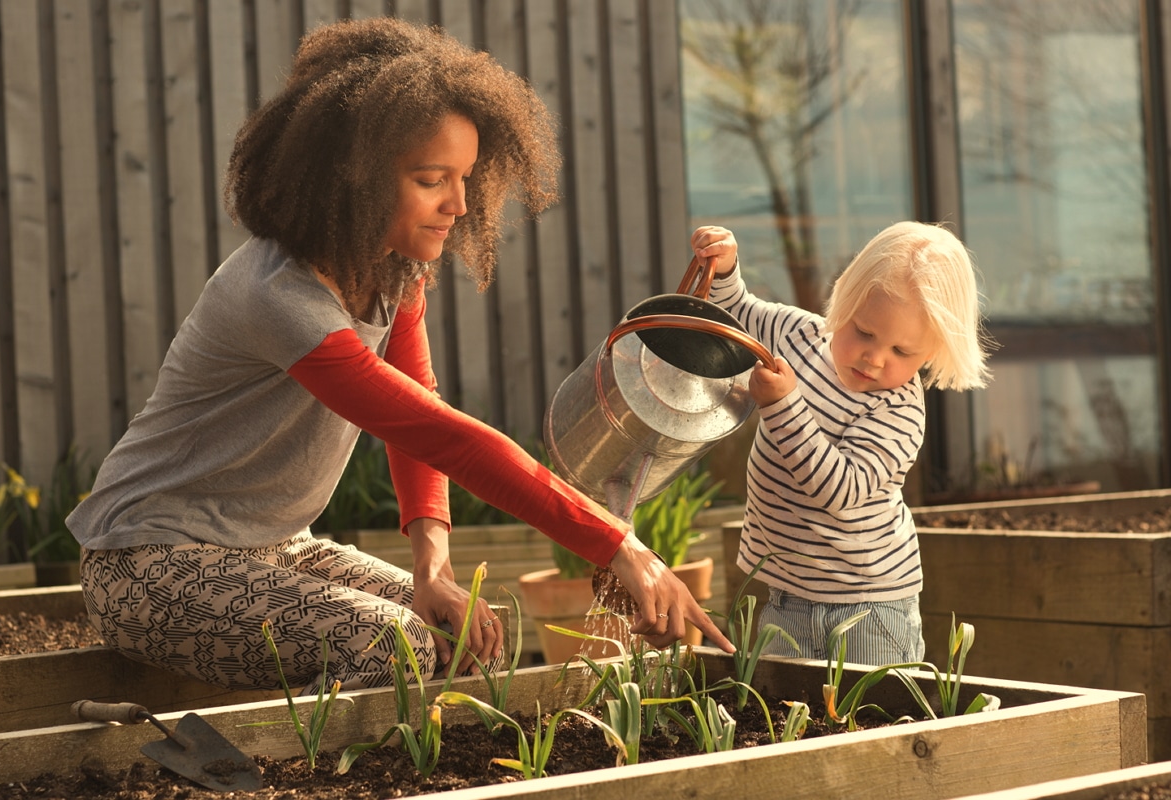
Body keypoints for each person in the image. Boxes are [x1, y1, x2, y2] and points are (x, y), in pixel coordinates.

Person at [68, 16, 732, 695]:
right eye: (430, 179)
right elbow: (443, 437)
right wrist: (616, 543)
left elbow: (420, 411)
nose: (459, 204)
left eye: (467, 177)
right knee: (399, 645)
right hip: (147, 565)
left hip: (273, 551)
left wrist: (432, 568)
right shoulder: (280, 298)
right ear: (349, 179)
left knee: (471, 631)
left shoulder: (393, 274)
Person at [690, 221, 991, 665]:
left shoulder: (898, 410)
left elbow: (839, 490)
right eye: (865, 332)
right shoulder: (799, 336)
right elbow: (737, 314)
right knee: (789, 721)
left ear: (931, 352)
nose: (875, 358)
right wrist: (726, 266)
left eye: (902, 352)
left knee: (872, 724)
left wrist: (784, 406)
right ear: (846, 301)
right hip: (787, 598)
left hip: (870, 608)